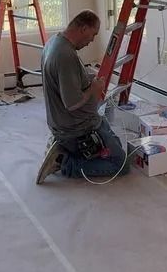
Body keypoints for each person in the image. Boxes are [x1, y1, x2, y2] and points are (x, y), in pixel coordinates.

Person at [37, 10, 131, 182]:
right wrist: (93, 89)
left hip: (73, 122)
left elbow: (63, 81)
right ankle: (64, 162)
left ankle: (63, 147)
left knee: (115, 144)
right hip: (77, 128)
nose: (92, 41)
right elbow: (71, 103)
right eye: (93, 34)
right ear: (83, 28)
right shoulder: (66, 55)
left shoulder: (54, 42)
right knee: (121, 164)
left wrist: (86, 78)